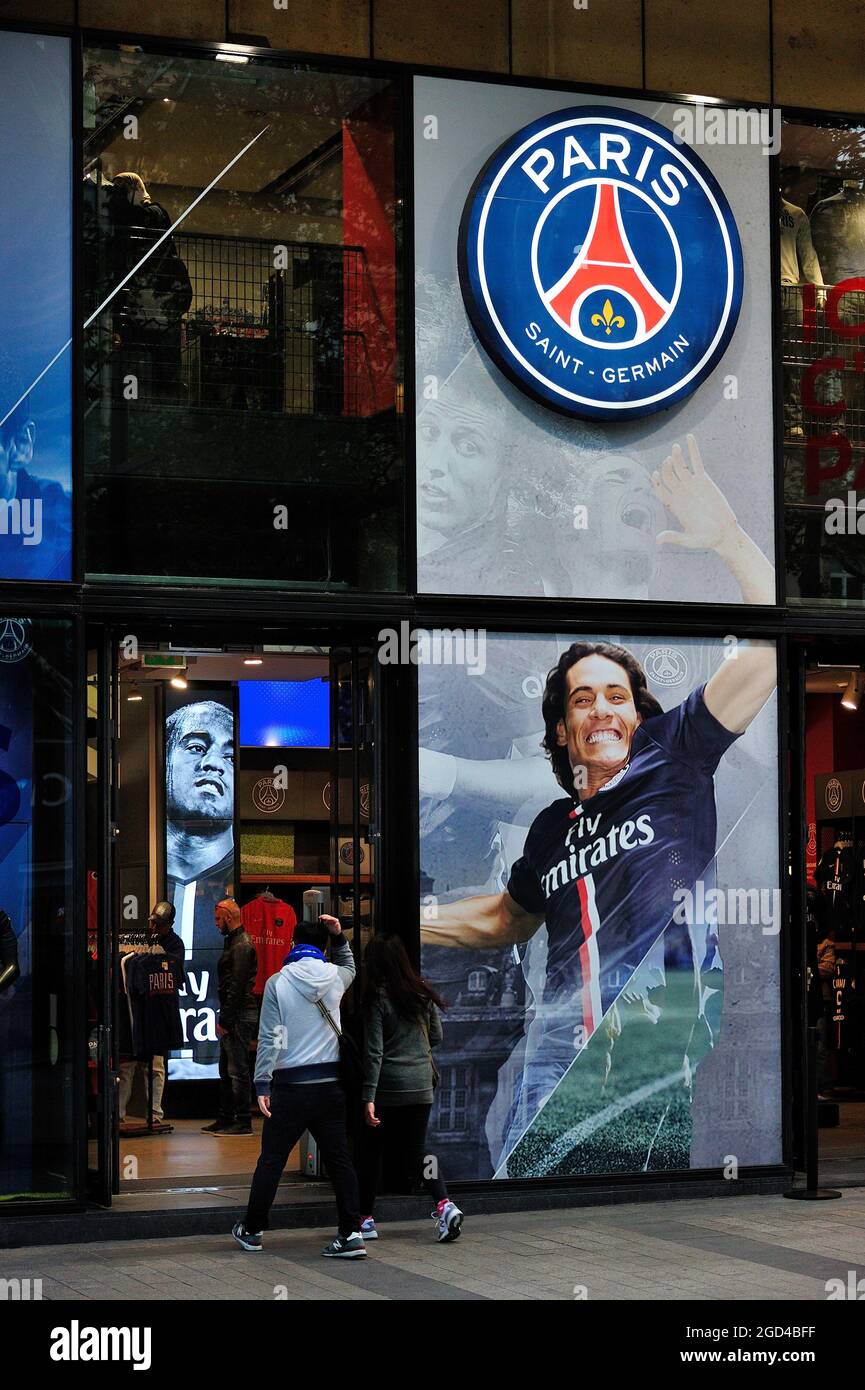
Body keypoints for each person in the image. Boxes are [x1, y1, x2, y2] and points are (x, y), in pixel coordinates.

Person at [422, 436, 778, 1169]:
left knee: (612, 1192)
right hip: (556, 1041)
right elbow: (504, 916)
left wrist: (731, 541)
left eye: (616, 696)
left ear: (638, 713)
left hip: (648, 1029)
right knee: (537, 1190)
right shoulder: (552, 827)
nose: (602, 711)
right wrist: (410, 920)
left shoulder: (675, 754)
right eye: (583, 700)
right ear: (561, 727)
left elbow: (771, 649)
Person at [233, 913, 366, 1259]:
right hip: (330, 1087)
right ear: (322, 948)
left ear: (292, 944)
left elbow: (270, 1038)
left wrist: (262, 1082)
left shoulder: (279, 982)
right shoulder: (335, 977)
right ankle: (351, 1234)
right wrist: (338, 938)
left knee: (272, 1160)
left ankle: (252, 1230)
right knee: (339, 1160)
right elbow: (349, 965)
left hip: (291, 1087)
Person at [358, 935, 463, 1244]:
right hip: (421, 1085)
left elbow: (374, 1052)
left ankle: (365, 1219)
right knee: (417, 1151)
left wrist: (368, 1096)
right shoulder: (421, 993)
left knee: (371, 1151)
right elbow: (437, 1036)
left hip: (389, 1086)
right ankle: (444, 1204)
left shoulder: (376, 998)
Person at [166, 698, 234, 1076]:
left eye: (231, 756)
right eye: (195, 747)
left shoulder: (241, 895)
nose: (212, 764)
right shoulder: (135, 880)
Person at [118, 900, 185, 1126]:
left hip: (158, 1014)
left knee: (155, 1066)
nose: (154, 929)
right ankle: (118, 1115)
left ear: (170, 924)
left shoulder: (175, 945)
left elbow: (175, 974)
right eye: (152, 924)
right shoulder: (144, 943)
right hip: (137, 1013)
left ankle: (155, 1114)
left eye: (159, 925)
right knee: (127, 1065)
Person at [203, 899, 257, 1136]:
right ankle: (226, 1117)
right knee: (227, 1069)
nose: (215, 924)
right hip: (235, 1012)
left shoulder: (241, 946)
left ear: (227, 917)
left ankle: (243, 1120)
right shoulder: (235, 943)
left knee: (237, 1070)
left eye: (217, 919)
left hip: (239, 1014)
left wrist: (225, 1020)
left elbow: (236, 985)